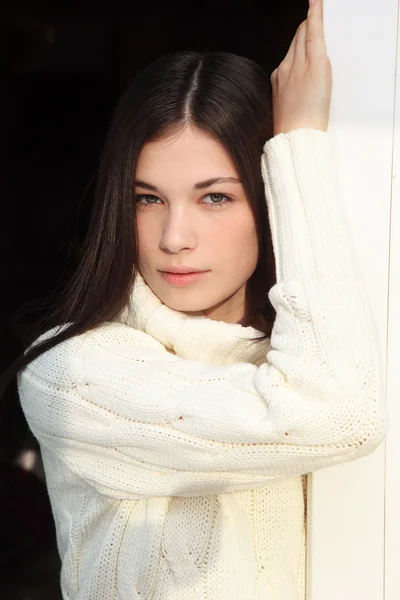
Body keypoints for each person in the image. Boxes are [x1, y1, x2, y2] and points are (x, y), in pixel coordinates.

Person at [0, 0, 387, 598]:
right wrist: (302, 144)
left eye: (215, 198)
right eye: (147, 198)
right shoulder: (71, 373)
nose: (174, 238)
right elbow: (338, 412)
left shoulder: (305, 357)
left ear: (269, 197)